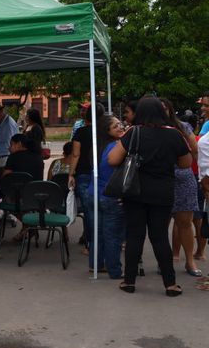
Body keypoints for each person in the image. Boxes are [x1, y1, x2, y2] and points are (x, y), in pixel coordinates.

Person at [108, 96, 191, 296]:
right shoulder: (174, 135)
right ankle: (170, 284)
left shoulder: (133, 132)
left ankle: (129, 282)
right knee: (160, 236)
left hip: (134, 192)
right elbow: (186, 163)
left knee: (135, 235)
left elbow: (113, 159)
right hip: (163, 192)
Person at [162, 98, 201, 277]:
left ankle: (190, 261)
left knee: (185, 222)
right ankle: (166, 260)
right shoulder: (147, 129)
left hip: (183, 178)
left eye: (164, 109)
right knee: (160, 224)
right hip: (160, 179)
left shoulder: (183, 127)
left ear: (170, 109)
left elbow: (194, 149)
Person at [87, 114, 126, 279]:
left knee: (98, 233)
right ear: (107, 130)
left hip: (93, 193)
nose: (121, 127)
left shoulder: (96, 148)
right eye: (116, 126)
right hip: (109, 196)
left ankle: (95, 265)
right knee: (112, 235)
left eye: (120, 124)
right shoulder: (116, 147)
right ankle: (115, 270)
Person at [69, 102, 105, 255]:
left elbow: (75, 154)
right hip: (103, 173)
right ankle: (105, 243)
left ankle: (91, 244)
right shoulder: (105, 131)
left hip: (83, 173)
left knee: (90, 210)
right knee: (104, 209)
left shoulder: (80, 132)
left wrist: (71, 173)